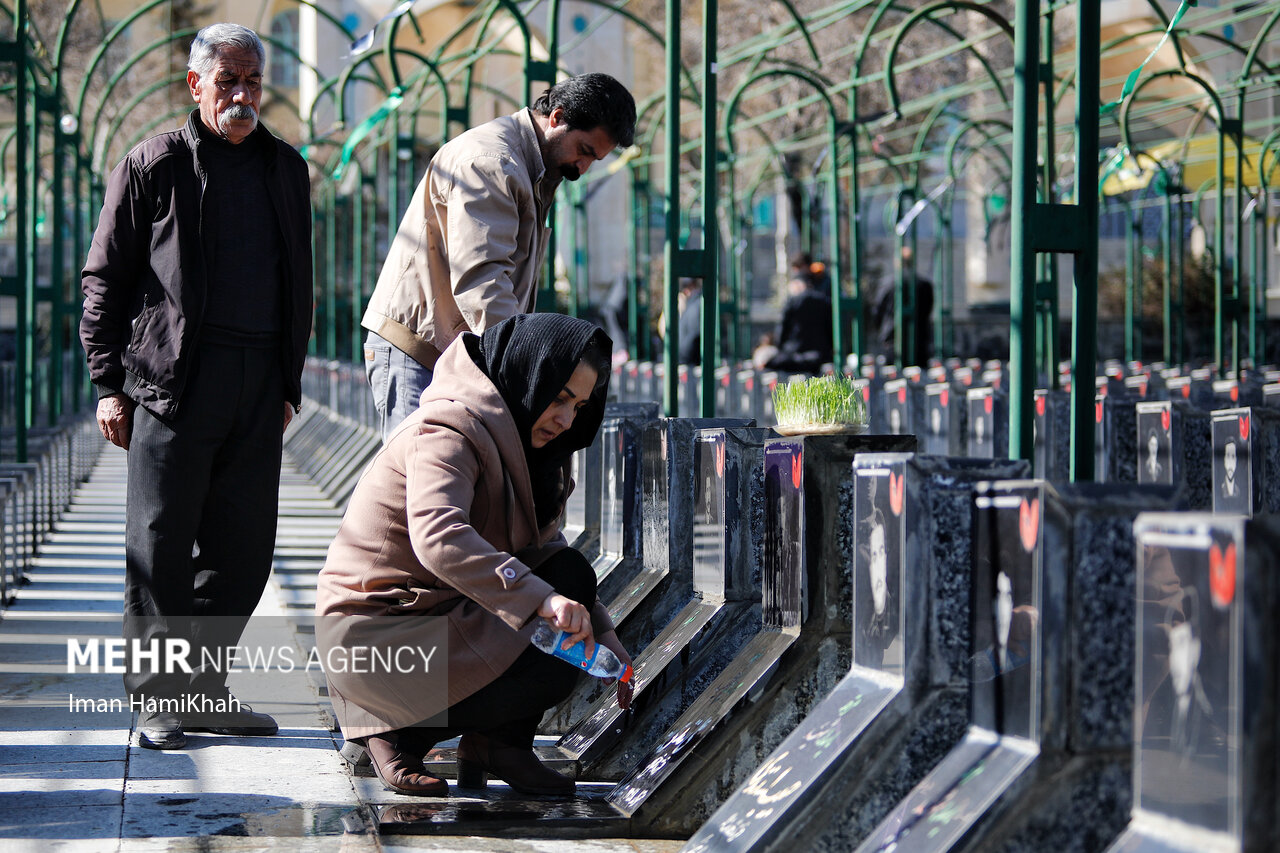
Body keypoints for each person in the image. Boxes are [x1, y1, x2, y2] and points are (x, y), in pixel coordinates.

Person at [79, 23, 313, 750]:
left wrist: (287, 383)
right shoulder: (152, 163)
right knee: (160, 545)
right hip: (170, 383)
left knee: (243, 549)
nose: (242, 96)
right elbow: (104, 278)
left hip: (258, 383)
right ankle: (158, 699)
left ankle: (203, 688)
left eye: (252, 82)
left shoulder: (286, 167)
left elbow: (294, 277)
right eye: (227, 82)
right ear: (196, 85)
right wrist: (108, 383)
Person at [316, 313, 633, 797]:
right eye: (561, 398)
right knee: (554, 604)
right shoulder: (449, 428)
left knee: (569, 586)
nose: (567, 419)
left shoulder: (528, 445)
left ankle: (497, 745)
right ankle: (393, 731)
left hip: (438, 617)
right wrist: (544, 603)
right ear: (530, 375)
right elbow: (439, 536)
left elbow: (547, 552)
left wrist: (606, 630)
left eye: (581, 405)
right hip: (377, 636)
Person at [361, 74, 637, 439]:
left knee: (446, 481)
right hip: (421, 349)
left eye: (594, 160)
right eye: (583, 150)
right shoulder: (493, 162)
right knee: (418, 481)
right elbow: (483, 279)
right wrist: (528, 371)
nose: (582, 168)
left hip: (445, 347)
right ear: (556, 117)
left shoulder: (528, 167)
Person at [766, 253, 833, 374]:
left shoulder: (792, 301)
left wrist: (780, 347)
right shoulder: (824, 300)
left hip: (795, 353)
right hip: (819, 355)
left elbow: (782, 326)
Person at [871, 246, 934, 366]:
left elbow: (877, 311)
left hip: (892, 340)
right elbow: (928, 310)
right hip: (918, 340)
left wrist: (882, 330)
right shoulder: (924, 285)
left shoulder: (887, 284)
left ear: (897, 262)